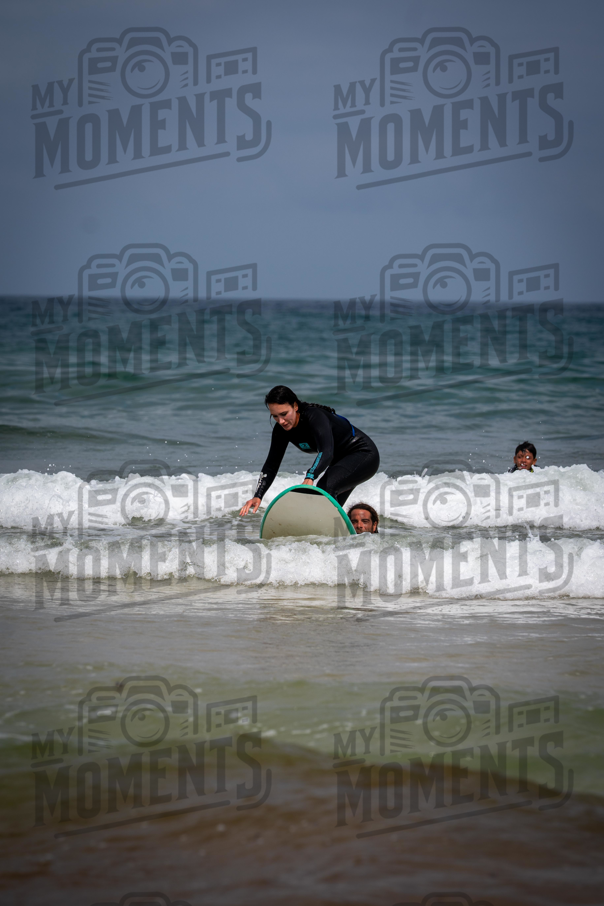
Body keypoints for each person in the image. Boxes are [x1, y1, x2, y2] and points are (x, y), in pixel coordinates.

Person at [239, 385, 380, 515]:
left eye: (284, 414)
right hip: (340, 462)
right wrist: (258, 495)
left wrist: (310, 475)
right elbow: (272, 464)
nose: (281, 421)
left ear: (295, 406)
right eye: (275, 416)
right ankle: (333, 536)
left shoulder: (314, 417)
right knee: (329, 507)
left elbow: (326, 451)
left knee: (324, 487)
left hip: (363, 454)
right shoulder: (281, 430)